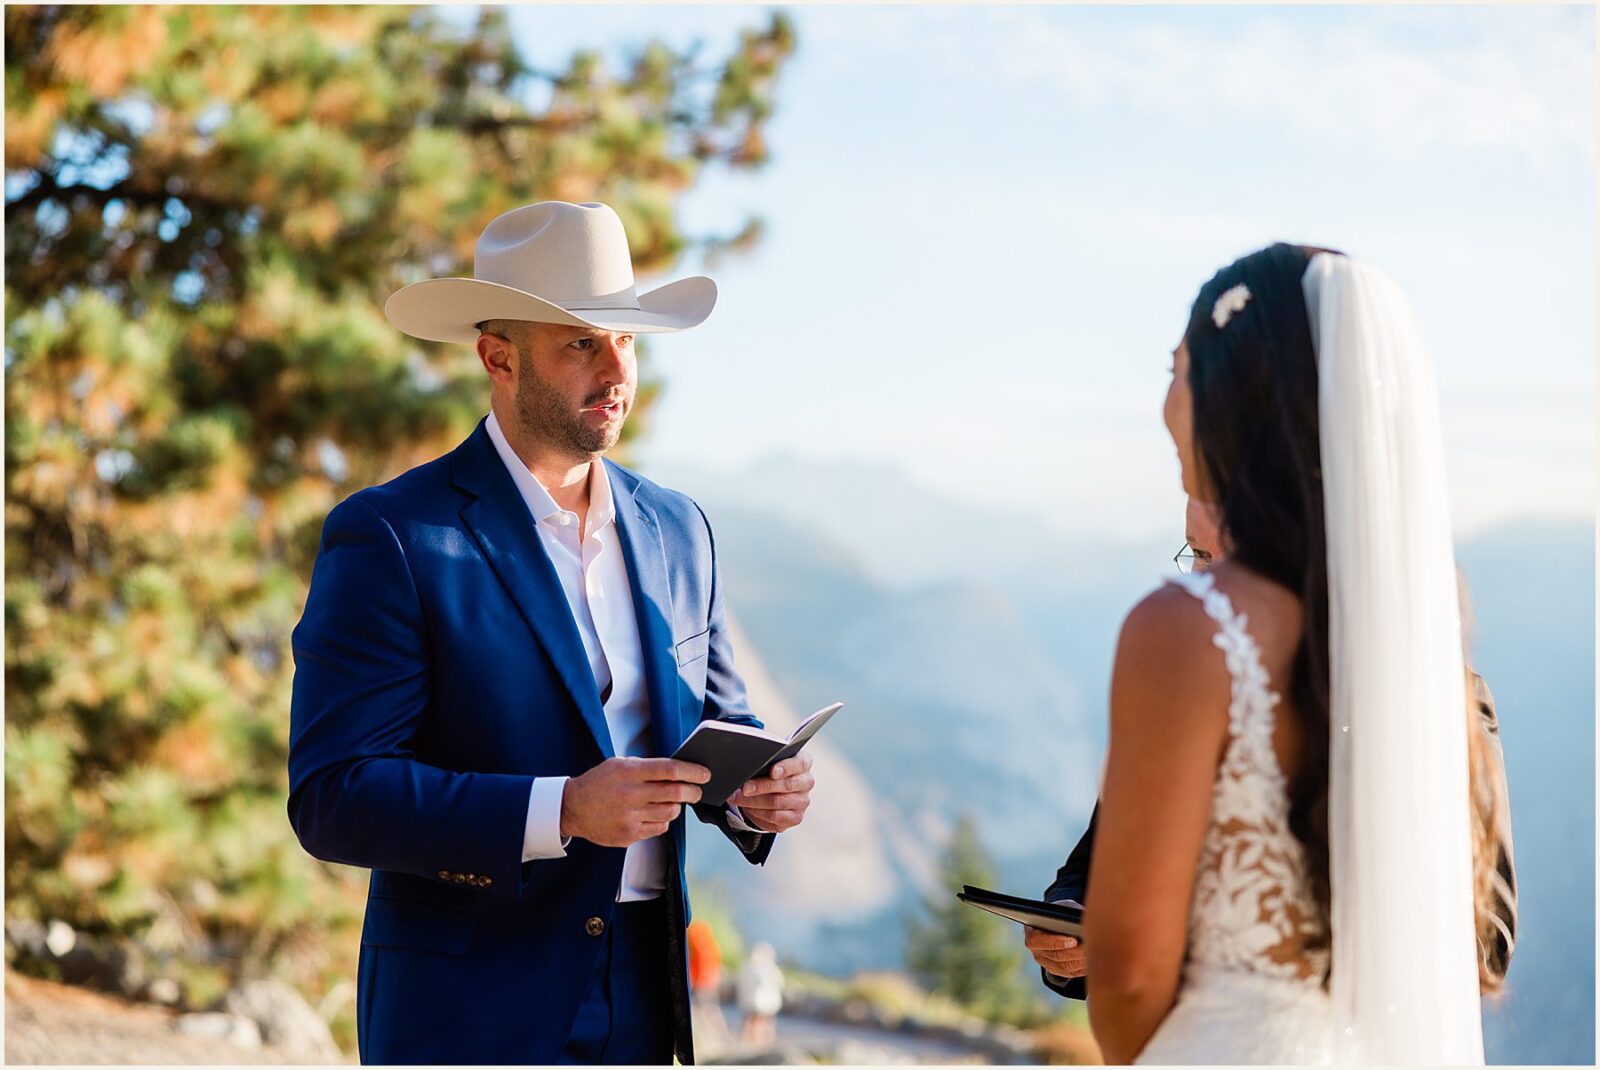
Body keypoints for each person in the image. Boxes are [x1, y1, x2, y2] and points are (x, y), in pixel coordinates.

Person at [287, 201, 816, 1065]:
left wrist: (758, 792)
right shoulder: (391, 534)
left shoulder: (681, 530)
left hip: (649, 997)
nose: (616, 369)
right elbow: (334, 796)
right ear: (498, 356)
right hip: (469, 1009)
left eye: (627, 339)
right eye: (581, 342)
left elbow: (719, 728)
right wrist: (562, 810)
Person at [1074, 244, 1508, 1063]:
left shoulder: (1190, 628)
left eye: (1178, 368)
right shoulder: (1412, 653)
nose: (1165, 401)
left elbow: (1127, 975)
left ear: (1237, 394)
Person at [1026, 501, 1517, 1004]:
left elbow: (1487, 940)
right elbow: (1091, 868)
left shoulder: (1437, 702)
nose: (1205, 584)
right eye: (1197, 554)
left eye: (1232, 559)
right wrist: (1069, 930)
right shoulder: (1177, 694)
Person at [736, 942, 784, 1050]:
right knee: (760, 1024)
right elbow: (779, 983)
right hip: (763, 1002)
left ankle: (755, 1045)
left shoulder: (748, 967)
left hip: (757, 1002)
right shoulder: (768, 969)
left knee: (754, 1024)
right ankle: (760, 1046)